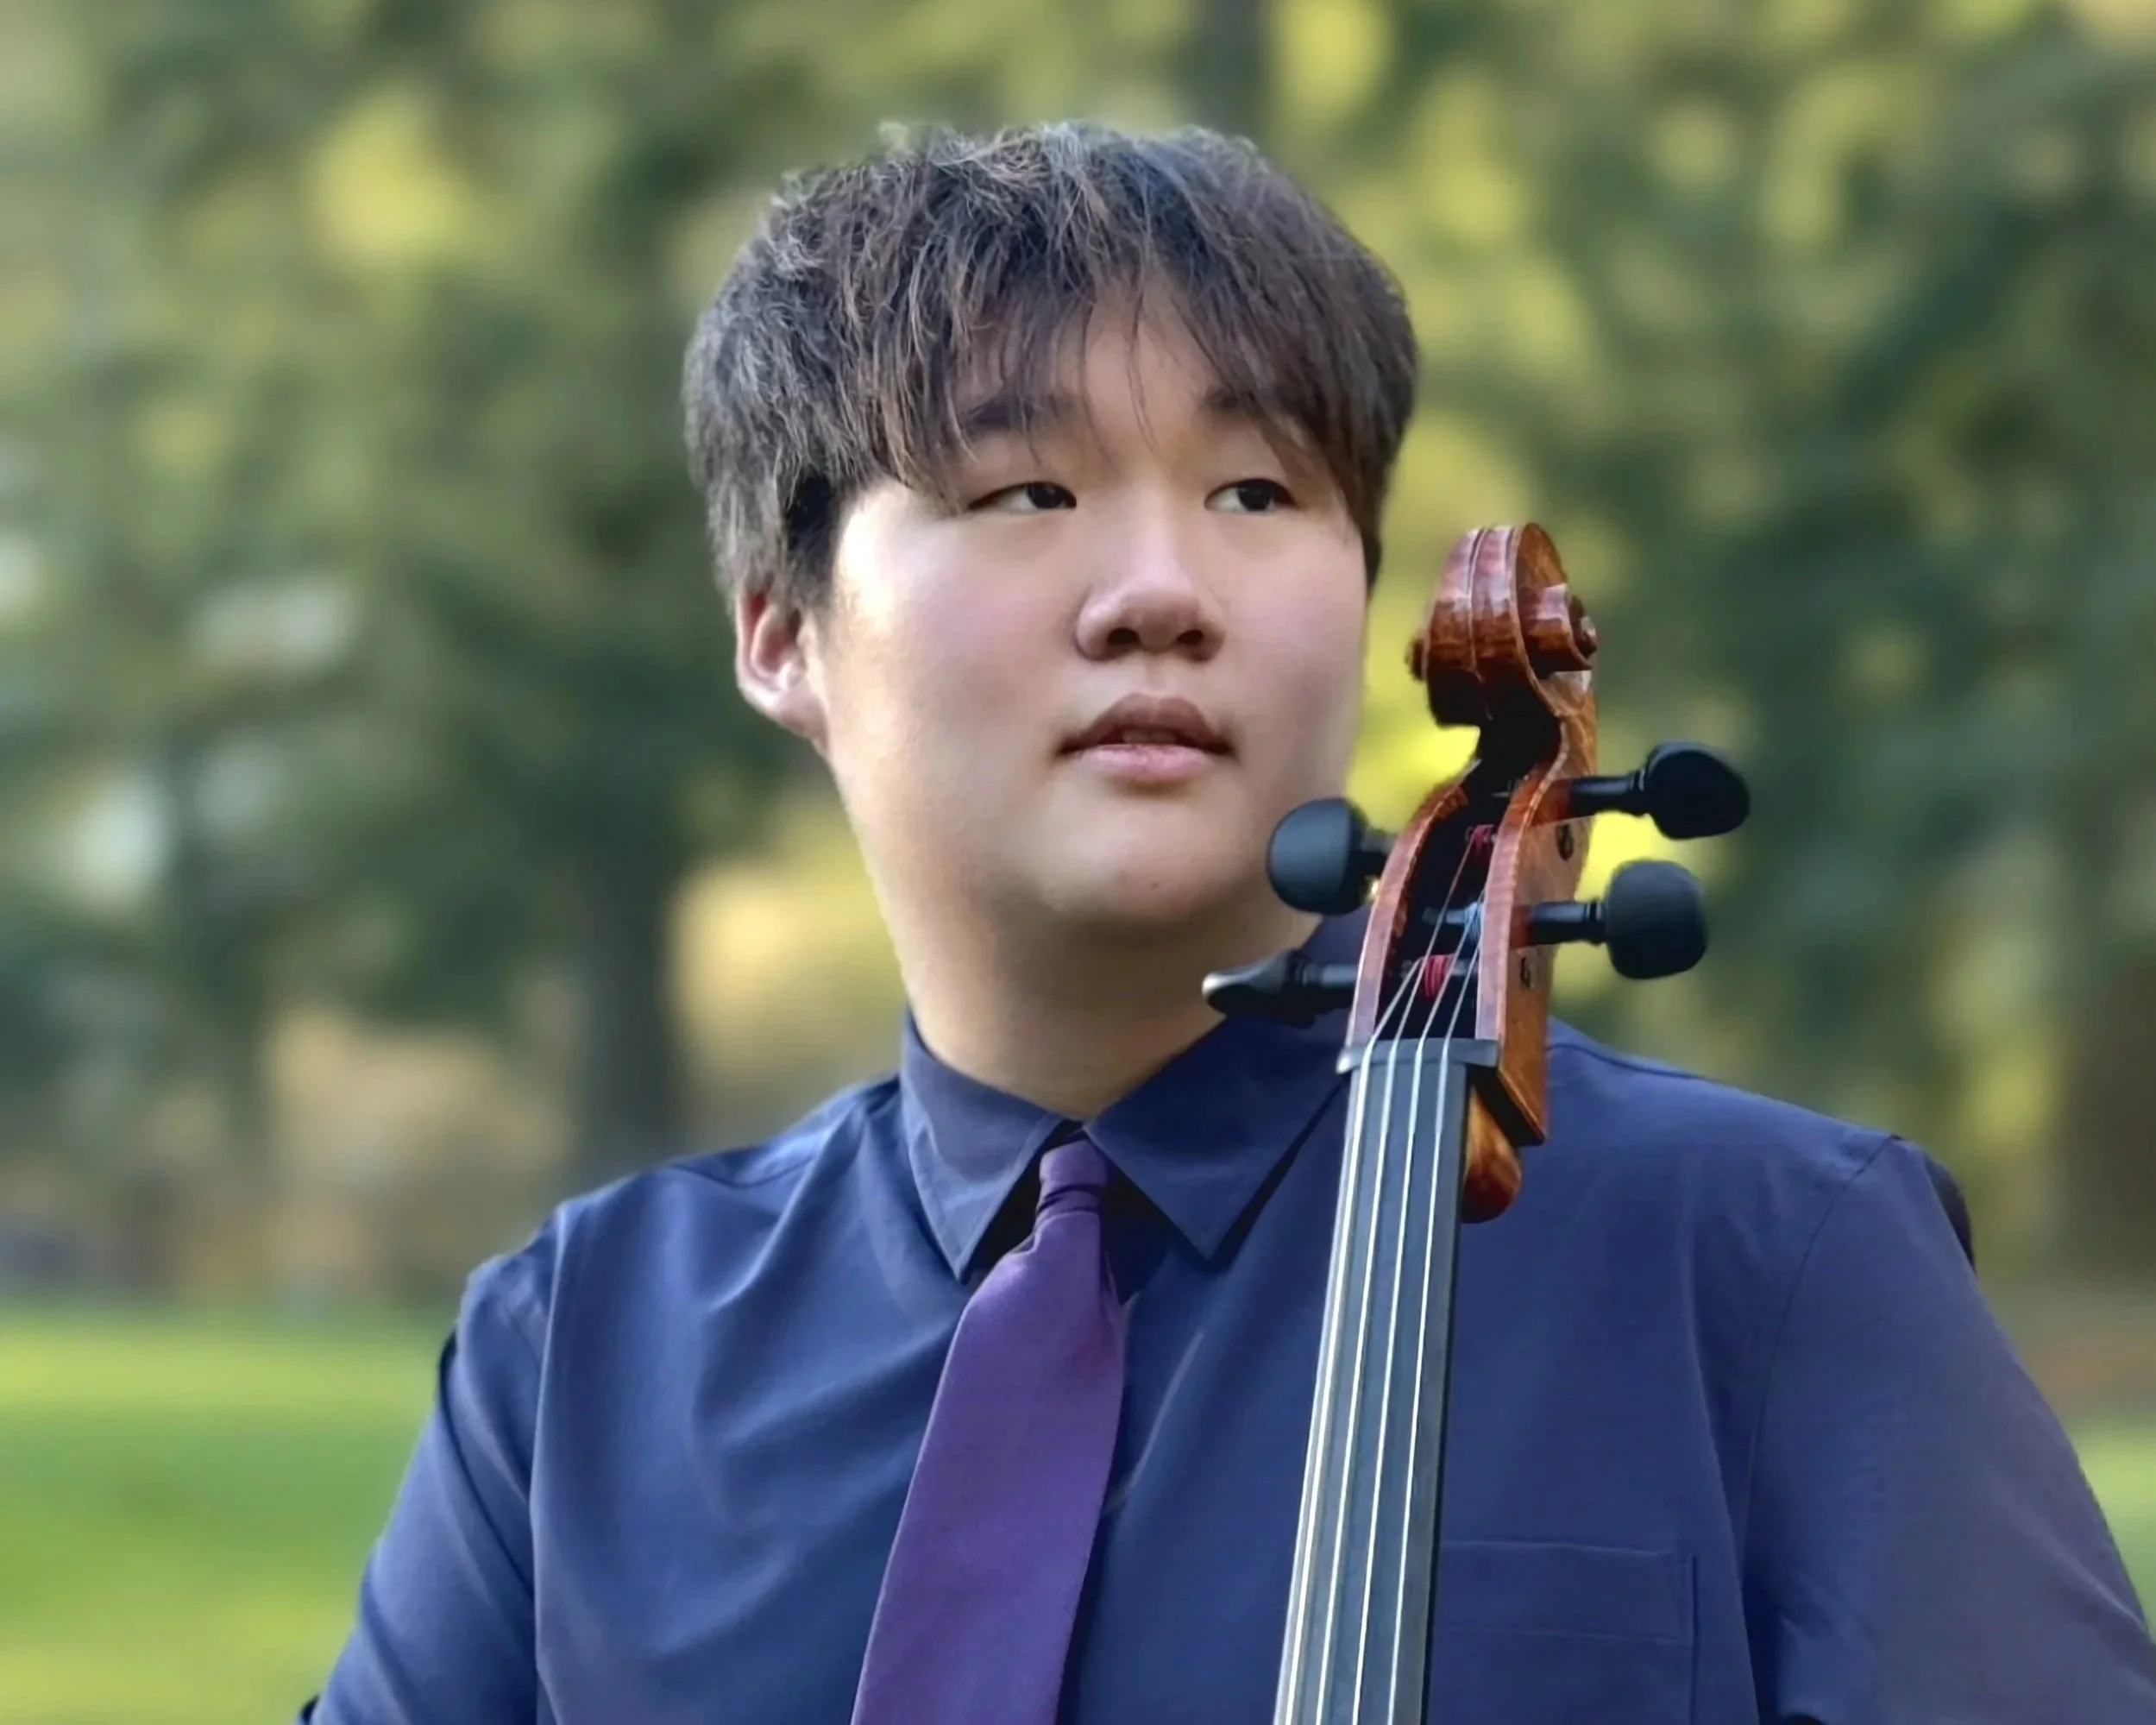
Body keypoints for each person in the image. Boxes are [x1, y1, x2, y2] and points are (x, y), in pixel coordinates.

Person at [299, 122, 2156, 1724]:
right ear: (782, 631)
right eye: (1027, 490)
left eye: (1258, 491)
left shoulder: (1768, 1266)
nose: (1160, 590)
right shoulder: (580, 1357)